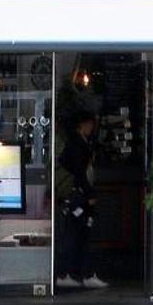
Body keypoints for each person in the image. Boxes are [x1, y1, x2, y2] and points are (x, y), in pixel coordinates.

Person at [56, 111, 107, 290]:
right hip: (79, 195)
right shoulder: (78, 145)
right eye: (89, 125)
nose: (91, 128)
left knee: (77, 233)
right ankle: (76, 273)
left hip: (76, 194)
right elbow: (80, 171)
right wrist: (89, 193)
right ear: (82, 125)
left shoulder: (76, 143)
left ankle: (74, 272)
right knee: (79, 233)